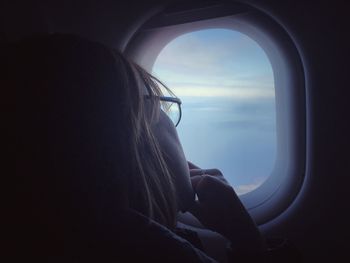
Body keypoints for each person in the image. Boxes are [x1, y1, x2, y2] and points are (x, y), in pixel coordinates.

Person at [8, 33, 270, 262]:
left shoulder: (48, 234)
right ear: (134, 140)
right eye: (160, 107)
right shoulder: (153, 251)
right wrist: (248, 240)